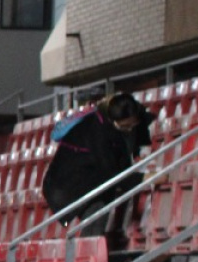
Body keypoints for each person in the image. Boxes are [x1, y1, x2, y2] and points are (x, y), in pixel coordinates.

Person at [40, 91, 153, 246]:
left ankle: (89, 249)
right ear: (114, 121)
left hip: (81, 180)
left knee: (101, 203)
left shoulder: (104, 121)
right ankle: (88, 253)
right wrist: (144, 178)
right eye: (126, 126)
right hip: (68, 187)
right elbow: (111, 174)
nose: (130, 128)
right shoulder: (96, 133)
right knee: (96, 210)